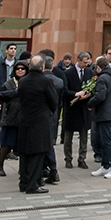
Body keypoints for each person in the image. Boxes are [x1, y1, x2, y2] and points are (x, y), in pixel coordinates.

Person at [17, 55, 58, 194]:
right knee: (38, 154)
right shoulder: (46, 81)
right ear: (42, 67)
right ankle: (33, 184)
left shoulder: (23, 81)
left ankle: (23, 182)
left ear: (29, 66)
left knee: (24, 153)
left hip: (24, 120)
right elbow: (53, 102)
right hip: (40, 122)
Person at [85, 56, 111, 179]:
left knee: (107, 141)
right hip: (110, 112)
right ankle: (105, 165)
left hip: (104, 114)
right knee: (104, 140)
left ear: (98, 67)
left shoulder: (102, 78)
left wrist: (90, 103)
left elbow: (100, 96)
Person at [0, 60, 28, 176]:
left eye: (23, 68)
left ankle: (22, 168)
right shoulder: (8, 84)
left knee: (23, 146)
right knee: (5, 144)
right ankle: (0, 165)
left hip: (24, 118)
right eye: (18, 68)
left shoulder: (28, 83)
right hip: (10, 117)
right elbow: (1, 96)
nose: (20, 70)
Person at [62, 51, 93, 169]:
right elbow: (64, 91)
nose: (86, 64)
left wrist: (88, 95)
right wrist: (75, 94)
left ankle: (82, 159)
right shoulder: (68, 73)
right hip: (71, 109)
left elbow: (92, 88)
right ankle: (68, 159)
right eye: (84, 62)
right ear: (78, 60)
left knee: (84, 136)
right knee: (68, 136)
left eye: (88, 62)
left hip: (84, 109)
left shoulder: (89, 72)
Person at [42, 56, 63, 184]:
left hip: (41, 116)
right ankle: (52, 170)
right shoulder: (58, 81)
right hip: (53, 115)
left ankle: (46, 169)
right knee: (50, 143)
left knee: (42, 144)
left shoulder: (39, 80)